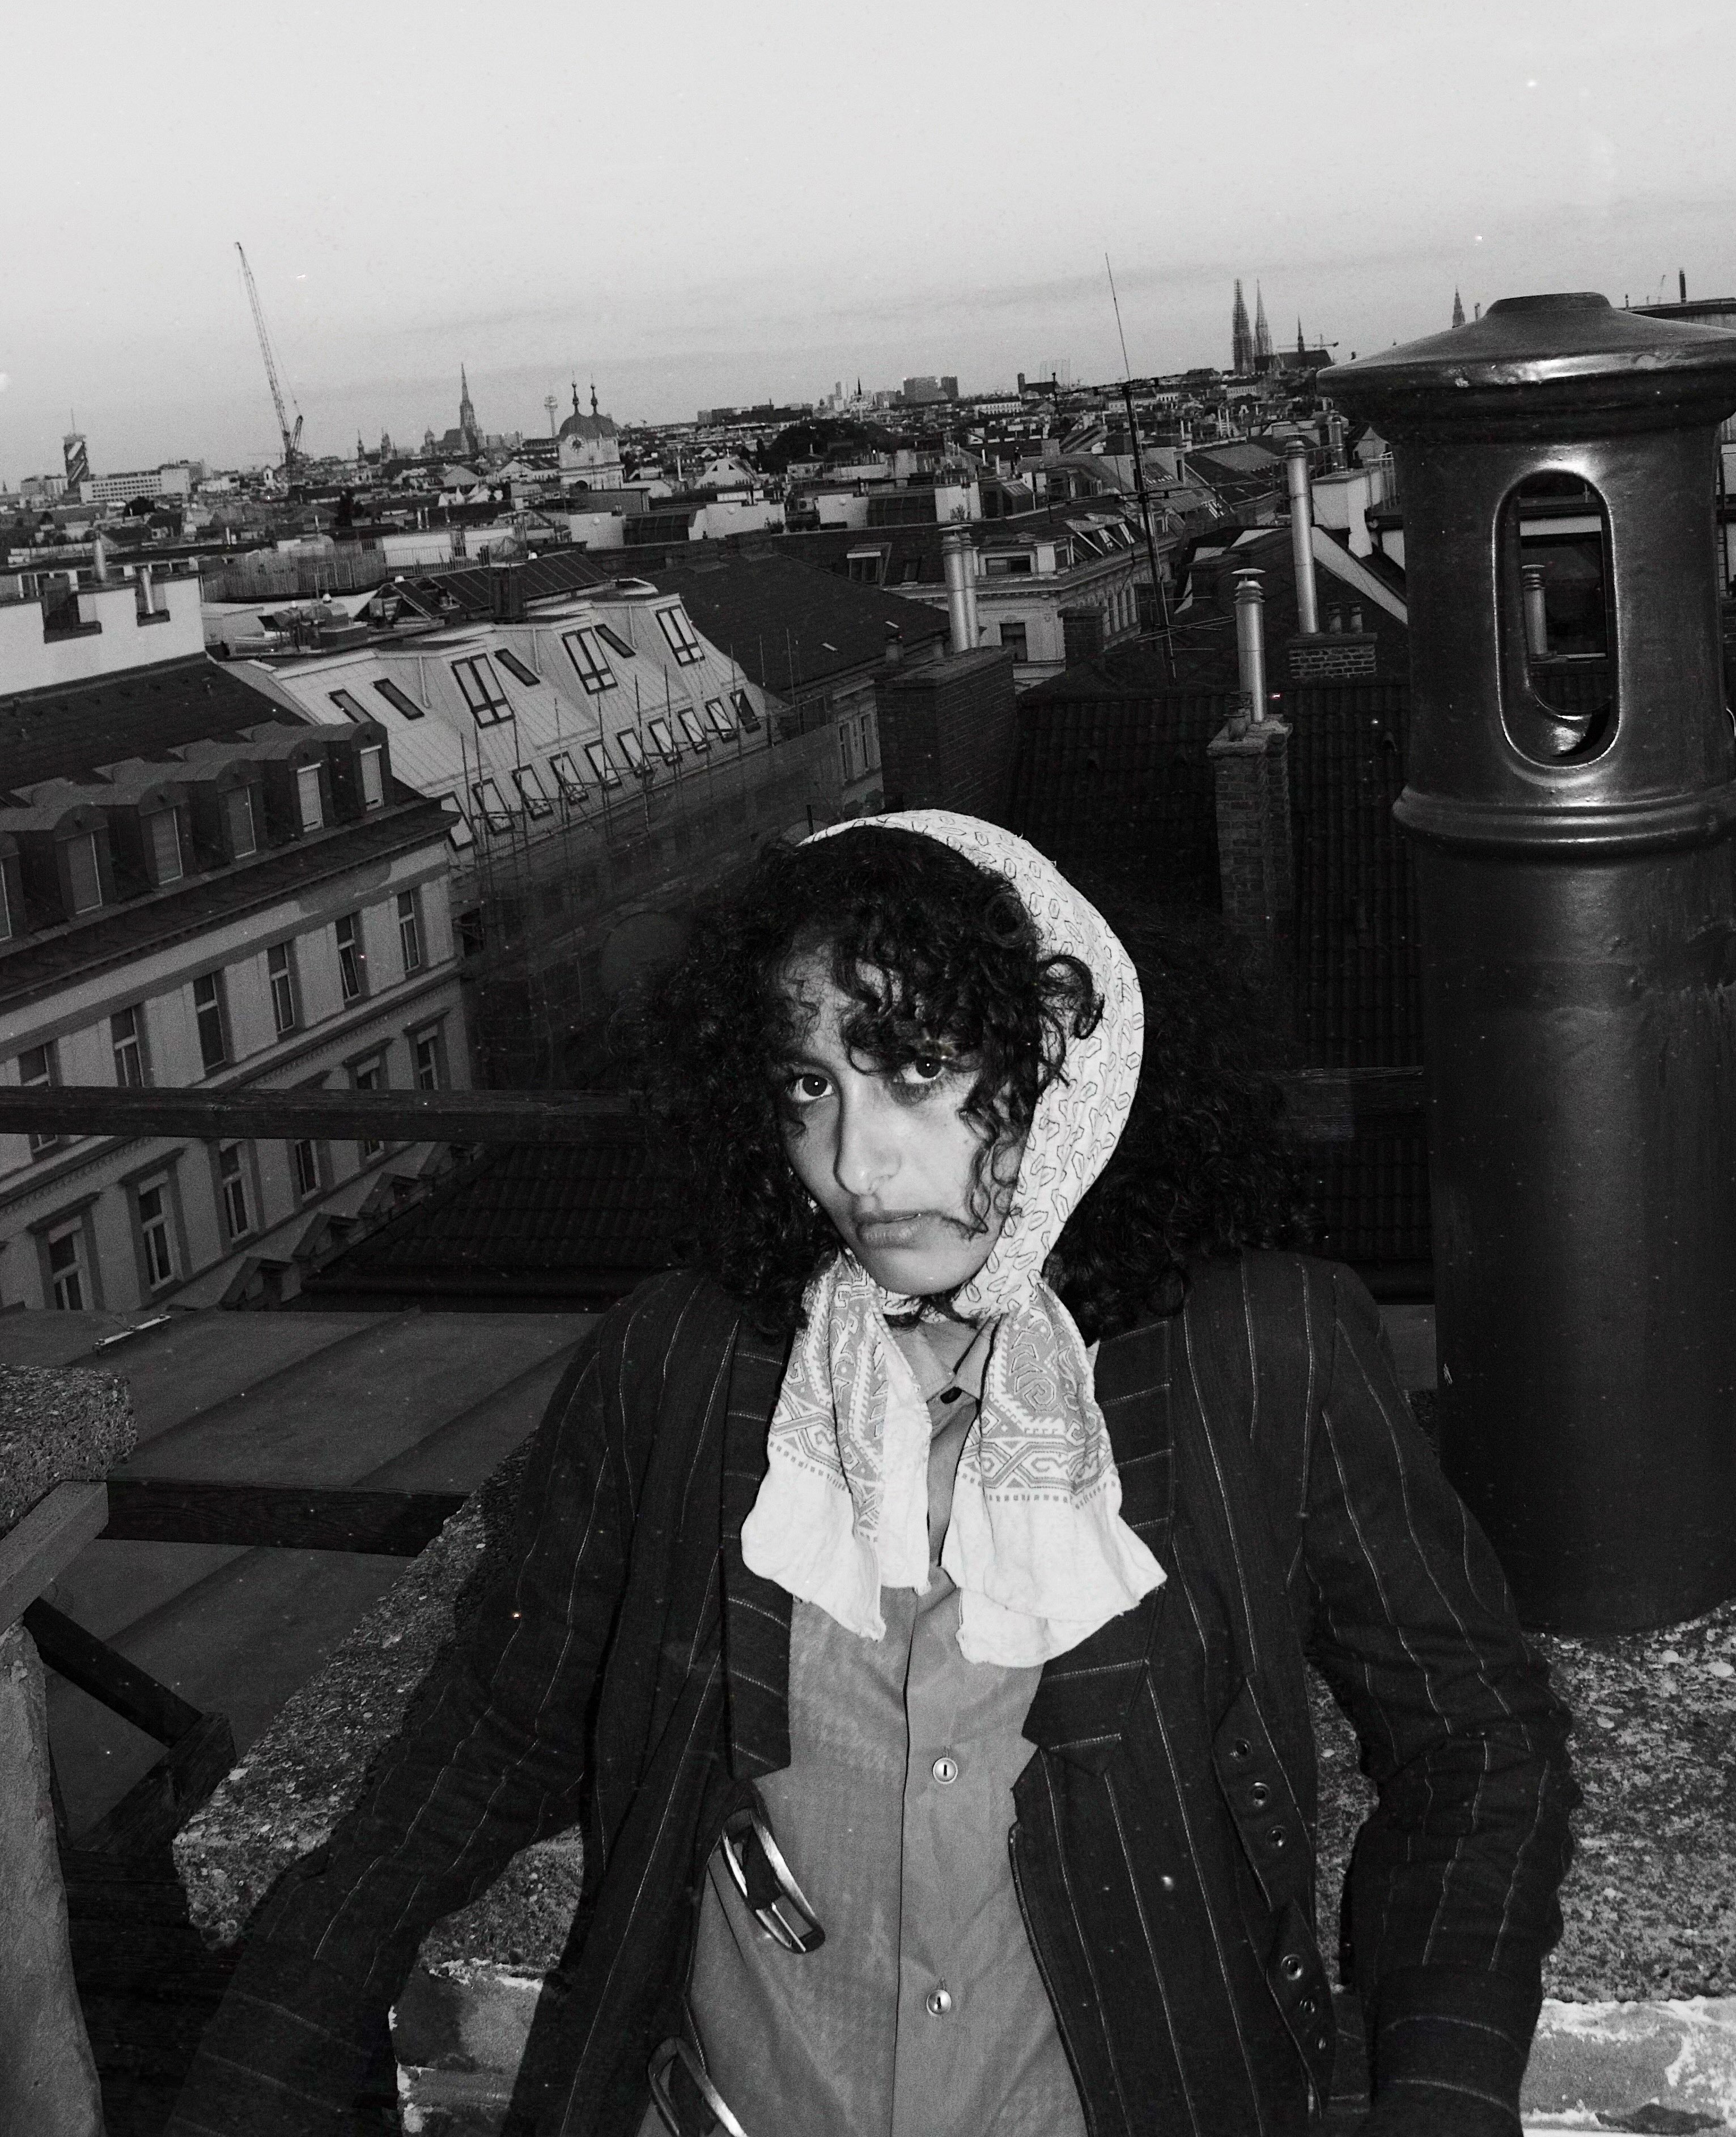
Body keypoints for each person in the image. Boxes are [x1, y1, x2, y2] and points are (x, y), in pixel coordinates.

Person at [170, 811, 1577, 2137]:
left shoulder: (1254, 1354)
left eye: (920, 1068)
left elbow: (1477, 1741)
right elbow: (502, 1723)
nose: (858, 1157)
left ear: (1056, 1058)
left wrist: (1445, 2090)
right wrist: (272, 2047)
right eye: (810, 1083)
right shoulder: (686, 1364)